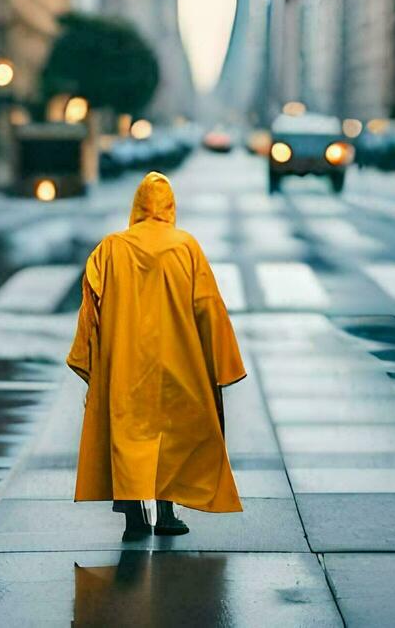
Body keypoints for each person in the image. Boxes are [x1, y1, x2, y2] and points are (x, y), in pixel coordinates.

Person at [68, 171, 246, 540]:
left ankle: (133, 515)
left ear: (136, 207)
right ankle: (166, 513)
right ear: (170, 208)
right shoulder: (185, 247)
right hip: (176, 363)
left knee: (128, 436)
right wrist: (224, 363)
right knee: (173, 436)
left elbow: (91, 308)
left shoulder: (111, 248)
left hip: (125, 363)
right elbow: (209, 307)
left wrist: (88, 355)